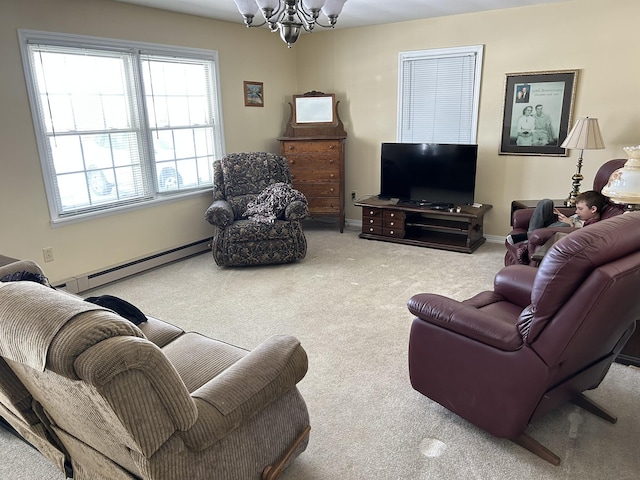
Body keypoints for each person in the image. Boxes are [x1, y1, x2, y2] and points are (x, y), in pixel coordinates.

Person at [507, 190, 607, 245]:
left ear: (593, 209)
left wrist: (570, 225)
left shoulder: (594, 225)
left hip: (558, 232)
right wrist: (560, 216)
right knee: (546, 202)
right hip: (552, 226)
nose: (576, 211)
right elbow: (570, 218)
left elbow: (580, 237)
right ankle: (530, 236)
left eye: (580, 209)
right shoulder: (581, 215)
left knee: (565, 224)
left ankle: (528, 237)